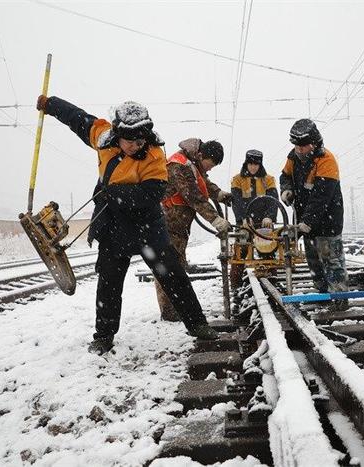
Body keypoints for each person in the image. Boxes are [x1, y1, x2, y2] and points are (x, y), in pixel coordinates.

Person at [36, 95, 218, 355]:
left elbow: (151, 195)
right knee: (109, 283)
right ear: (118, 134)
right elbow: (77, 118)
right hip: (113, 225)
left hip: (147, 225)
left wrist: (112, 194)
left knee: (173, 276)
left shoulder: (155, 154)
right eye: (130, 140)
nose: (136, 145)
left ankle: (198, 324)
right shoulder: (102, 137)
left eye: (140, 140)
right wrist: (50, 104)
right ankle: (104, 336)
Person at [158, 138, 232, 321]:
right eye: (211, 164)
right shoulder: (179, 165)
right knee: (168, 269)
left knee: (178, 267)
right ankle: (168, 312)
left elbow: (203, 183)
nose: (210, 169)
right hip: (168, 224)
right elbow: (194, 196)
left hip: (178, 226)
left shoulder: (193, 164)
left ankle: (175, 308)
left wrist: (218, 194)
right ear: (201, 155)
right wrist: (215, 219)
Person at [279, 119, 349, 311]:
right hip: (305, 219)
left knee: (331, 260)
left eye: (303, 146)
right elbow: (284, 176)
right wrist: (286, 189)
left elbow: (321, 197)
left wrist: (306, 222)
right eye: (296, 146)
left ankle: (339, 297)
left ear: (314, 143)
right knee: (314, 261)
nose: (299, 150)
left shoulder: (327, 160)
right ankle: (321, 293)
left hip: (328, 220)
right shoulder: (293, 158)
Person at [229, 149, 279, 286]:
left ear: (260, 165)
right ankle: (235, 284)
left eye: (256, 164)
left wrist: (269, 217)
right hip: (245, 222)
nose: (253, 167)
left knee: (268, 249)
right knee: (241, 250)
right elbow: (237, 201)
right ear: (246, 163)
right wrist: (243, 218)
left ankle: (272, 280)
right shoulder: (237, 179)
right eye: (250, 164)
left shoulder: (268, 180)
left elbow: (273, 200)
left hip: (264, 223)